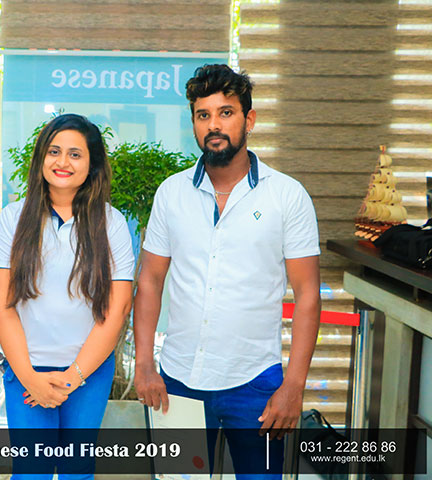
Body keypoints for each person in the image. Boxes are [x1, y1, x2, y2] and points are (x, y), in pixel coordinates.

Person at [133, 64, 321, 478]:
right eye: (203, 115)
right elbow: (149, 281)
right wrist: (144, 363)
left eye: (226, 113)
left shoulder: (287, 196)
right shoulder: (172, 193)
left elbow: (308, 295)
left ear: (249, 120)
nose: (214, 125)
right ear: (194, 123)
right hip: (178, 381)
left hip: (256, 383)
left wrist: (293, 387)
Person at [0, 113, 135, 479]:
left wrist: (72, 378)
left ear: (92, 163)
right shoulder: (13, 219)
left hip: (89, 371)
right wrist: (30, 378)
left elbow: (116, 311)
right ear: (41, 158)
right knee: (31, 471)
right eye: (54, 151)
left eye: (75, 154)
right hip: (26, 368)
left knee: (77, 470)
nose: (62, 162)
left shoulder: (112, 223)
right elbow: (3, 308)